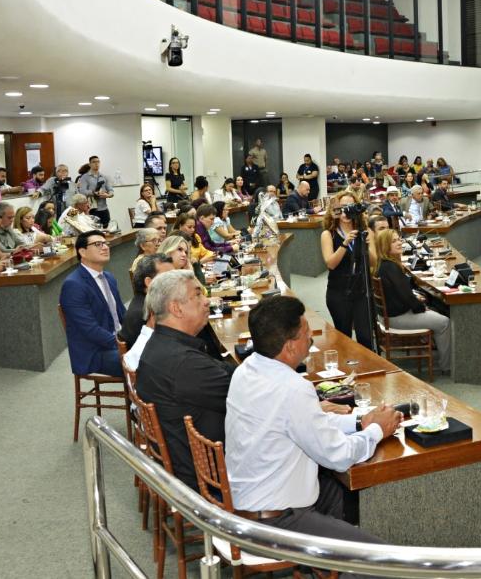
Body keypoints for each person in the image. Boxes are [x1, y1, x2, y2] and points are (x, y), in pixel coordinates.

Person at [225, 294, 400, 543]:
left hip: (246, 501)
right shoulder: (292, 388)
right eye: (306, 331)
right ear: (290, 345)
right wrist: (377, 431)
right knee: (378, 556)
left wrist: (359, 422)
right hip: (277, 521)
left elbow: (306, 423)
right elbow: (339, 457)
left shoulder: (245, 371)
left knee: (339, 495)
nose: (311, 337)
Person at [135, 269, 236, 490]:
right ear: (176, 308)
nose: (207, 301)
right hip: (211, 475)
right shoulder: (184, 364)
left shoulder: (163, 345)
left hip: (190, 462)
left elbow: (224, 373)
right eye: (198, 295)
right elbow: (248, 396)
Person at [371, 229, 452, 374]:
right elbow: (407, 298)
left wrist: (421, 305)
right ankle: (448, 366)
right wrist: (422, 307)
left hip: (389, 316)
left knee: (434, 310)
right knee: (444, 322)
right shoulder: (391, 267)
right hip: (397, 318)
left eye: (399, 239)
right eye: (394, 241)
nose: (399, 243)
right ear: (384, 245)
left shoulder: (383, 265)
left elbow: (404, 294)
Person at [59, 230, 127, 377]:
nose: (105, 247)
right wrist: (123, 344)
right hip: (95, 353)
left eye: (105, 243)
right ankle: (142, 399)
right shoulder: (74, 285)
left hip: (116, 342)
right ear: (82, 252)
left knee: (156, 352)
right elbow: (90, 330)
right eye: (98, 244)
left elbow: (122, 314)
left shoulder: (109, 277)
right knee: (146, 362)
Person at [320, 192, 374, 348]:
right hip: (339, 291)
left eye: (350, 207)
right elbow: (330, 264)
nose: (346, 212)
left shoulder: (365, 232)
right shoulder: (327, 234)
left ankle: (368, 370)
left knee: (366, 337)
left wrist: (367, 246)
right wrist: (345, 243)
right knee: (344, 338)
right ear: (335, 211)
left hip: (361, 291)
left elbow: (373, 262)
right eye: (342, 207)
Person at [121, 252, 174, 349]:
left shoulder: (151, 303)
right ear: (149, 282)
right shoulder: (144, 314)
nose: (175, 282)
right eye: (168, 277)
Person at [76, 155, 114, 227]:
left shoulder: (104, 176)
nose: (96, 164)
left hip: (104, 208)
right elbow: (82, 192)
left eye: (98, 162)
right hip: (91, 209)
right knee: (94, 230)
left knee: (106, 230)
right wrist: (93, 193)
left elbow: (111, 191)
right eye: (94, 162)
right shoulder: (84, 177)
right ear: (90, 164)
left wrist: (108, 195)